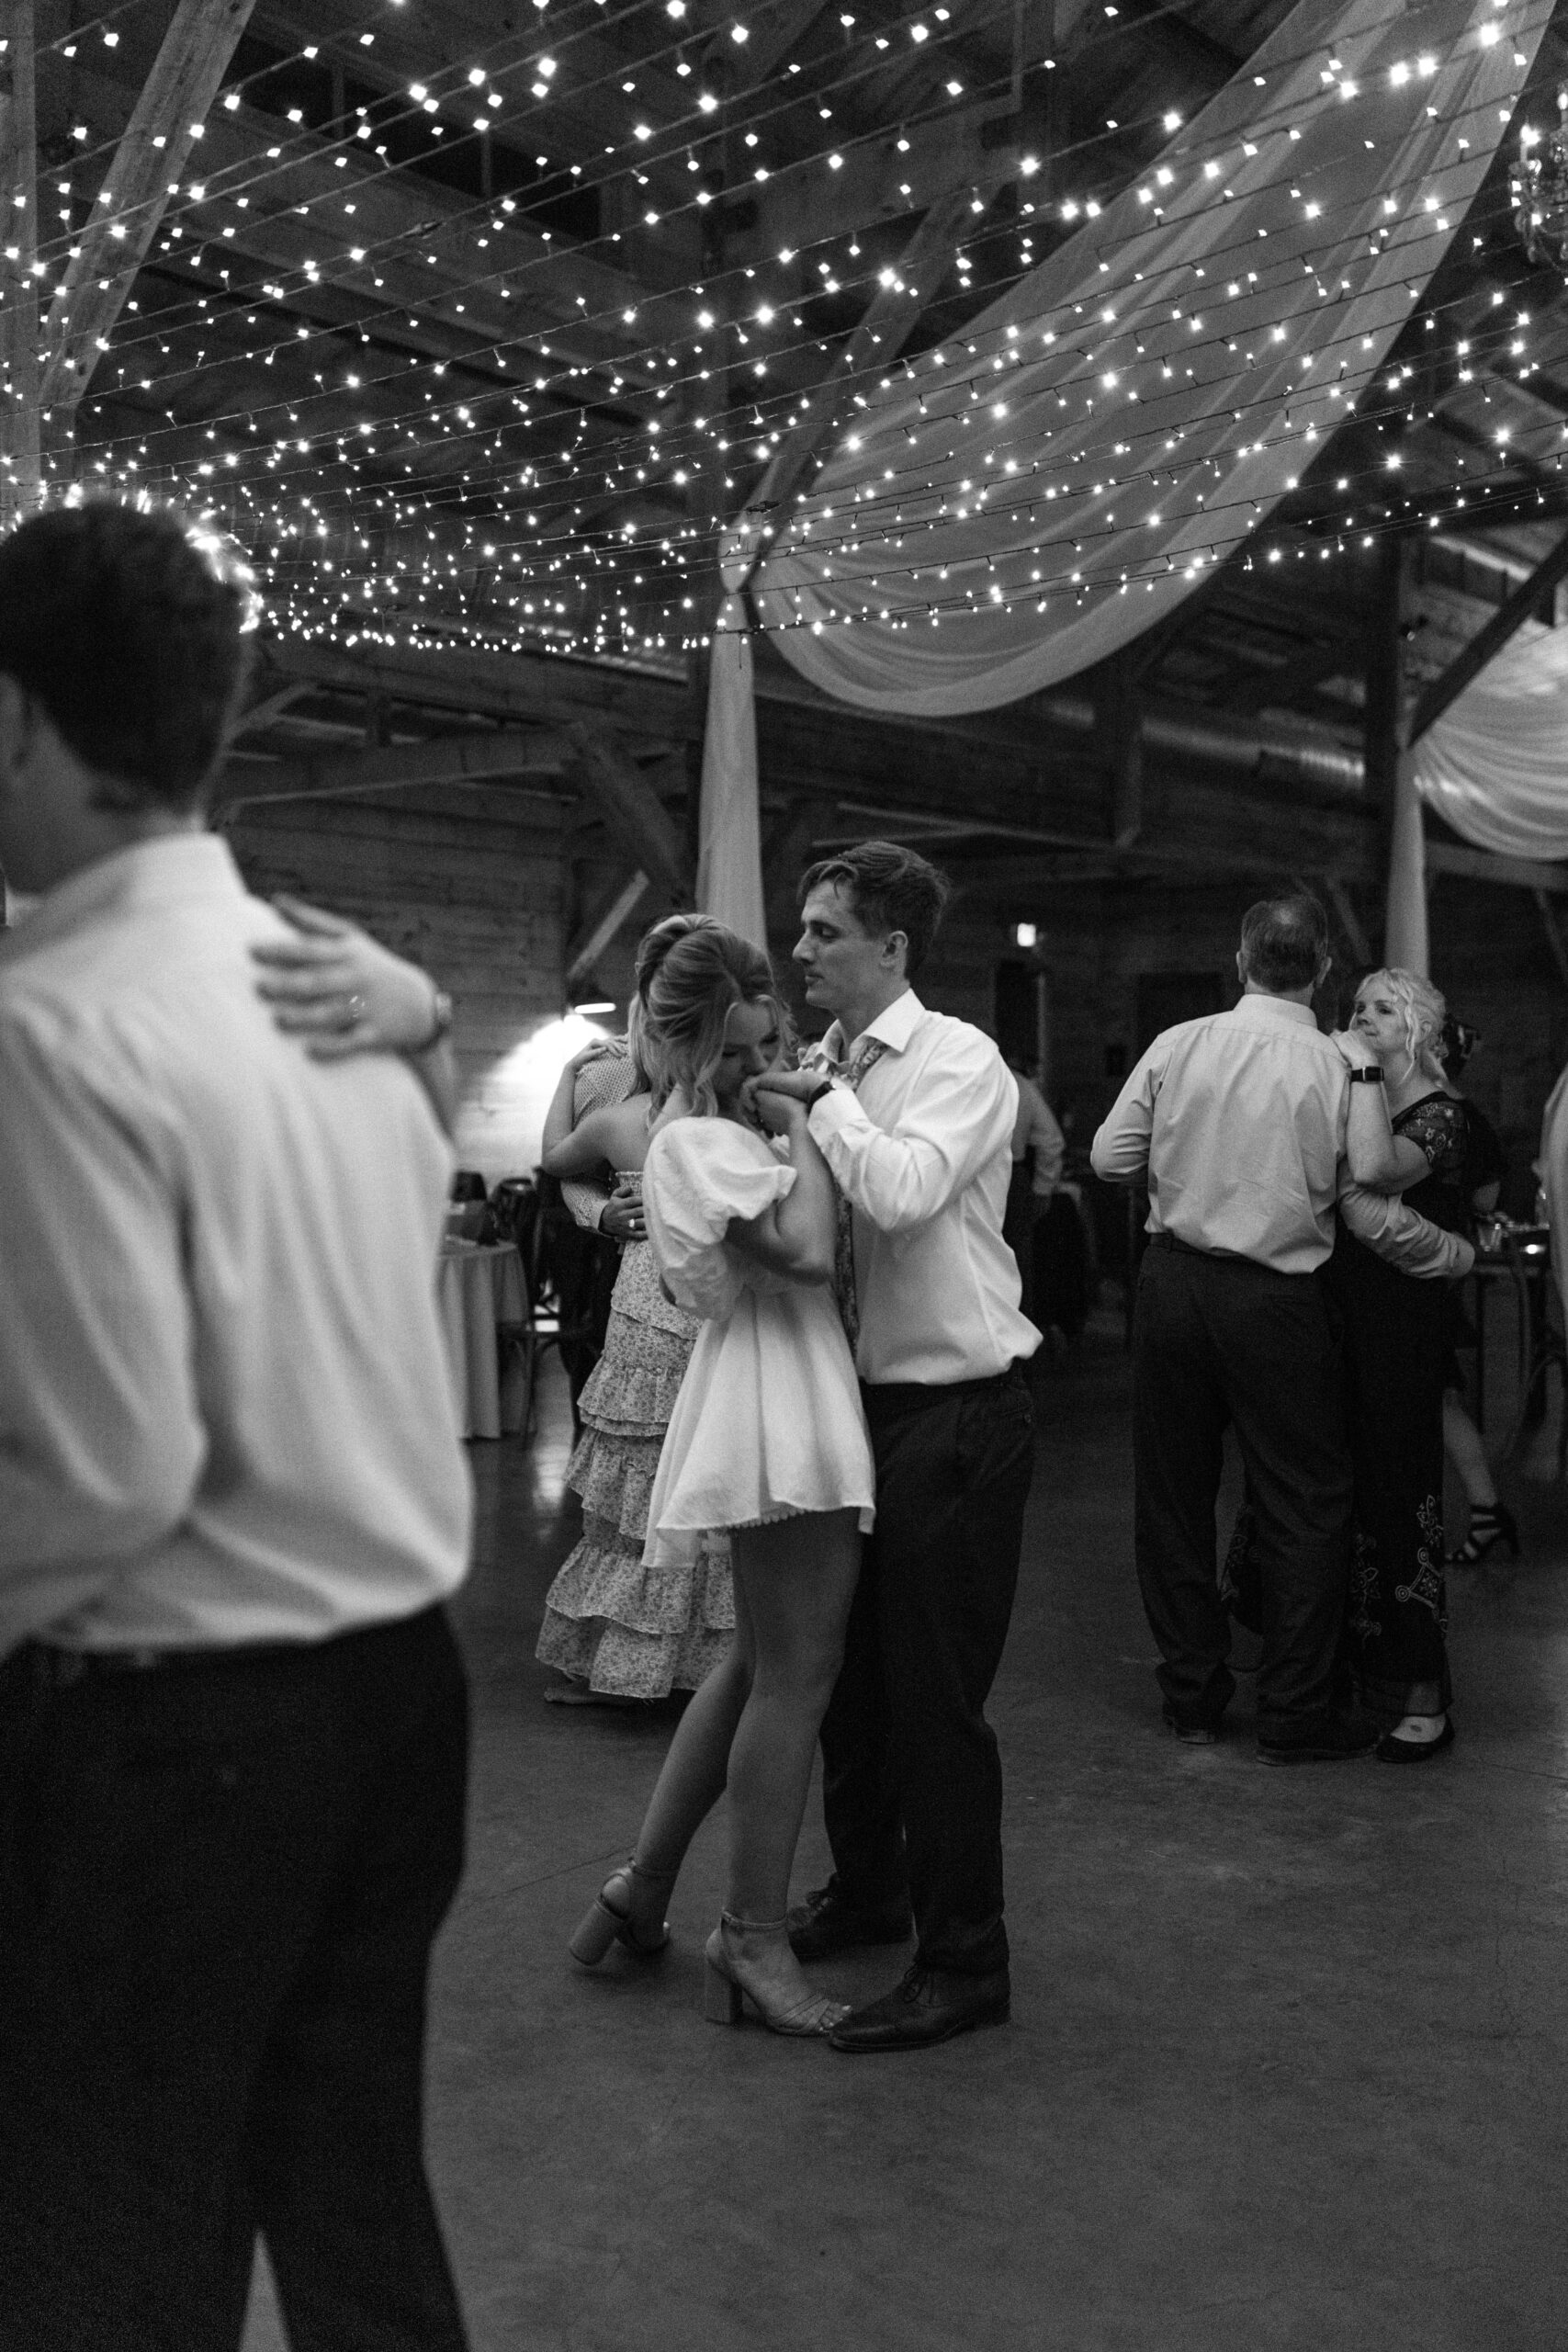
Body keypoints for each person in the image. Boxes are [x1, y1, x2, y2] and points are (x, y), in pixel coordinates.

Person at [0, 503, 473, 2349]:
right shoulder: (339, 987)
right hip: (395, 1696)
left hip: (178, 1736)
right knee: (350, 2197)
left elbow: (106, 1470)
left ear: (20, 721)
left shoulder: (54, 1024)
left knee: (109, 2240)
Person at [751, 841, 1039, 2056]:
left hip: (956, 1411)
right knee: (849, 1690)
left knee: (931, 1702)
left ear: (891, 949)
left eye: (824, 932)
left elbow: (907, 1193)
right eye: (804, 929)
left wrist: (824, 1108)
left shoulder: (955, 1060)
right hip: (855, 1409)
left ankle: (965, 1961)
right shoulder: (821, 1063)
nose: (801, 949)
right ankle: (867, 1888)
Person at [567, 917, 874, 2037]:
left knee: (754, 1663)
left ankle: (642, 1887)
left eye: (766, 1043)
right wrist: (803, 1126)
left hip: (777, 1379)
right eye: (737, 1052)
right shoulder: (692, 1140)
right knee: (800, 1673)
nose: (758, 1066)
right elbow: (803, 1252)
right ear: (682, 1046)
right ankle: (751, 1933)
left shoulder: (720, 1130)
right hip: (772, 1395)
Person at [1090, 894, 1472, 1766]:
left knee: (1174, 1496)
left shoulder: (1178, 1043)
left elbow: (1108, 1157)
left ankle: (1190, 1697)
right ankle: (1294, 1713)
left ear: (1240, 960)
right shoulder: (1339, 1064)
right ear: (1326, 968)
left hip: (1174, 1284)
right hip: (1277, 1299)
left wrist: (1187, 1166)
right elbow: (1373, 1174)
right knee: (1303, 1500)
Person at [535, 930, 733, 1703]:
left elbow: (552, 1157)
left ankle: (627, 1664)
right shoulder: (740, 1117)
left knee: (641, 1488)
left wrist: (563, 1076)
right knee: (696, 1476)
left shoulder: (626, 1118)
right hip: (702, 1299)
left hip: (649, 1301)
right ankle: (705, 1669)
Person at [1325, 969, 1480, 1757]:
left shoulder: (1440, 1116)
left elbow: (1376, 1173)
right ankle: (1355, 1676)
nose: (1362, 1018)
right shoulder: (1362, 1097)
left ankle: (1424, 1696)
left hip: (1401, 1330)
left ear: (1417, 1025)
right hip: (1344, 1320)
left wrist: (1354, 1069)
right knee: (1342, 1498)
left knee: (1397, 1496)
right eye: (1355, 1008)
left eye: (1382, 1008)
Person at [1435, 1015, 1517, 1567]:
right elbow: (1488, 1199)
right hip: (1442, 1266)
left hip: (1423, 1271)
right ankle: (1487, 1512)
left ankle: (1485, 1511)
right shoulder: (1470, 1116)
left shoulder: (1436, 1112)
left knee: (1437, 1399)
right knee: (1442, 1400)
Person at [1003, 1054, 1066, 1330]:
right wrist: (1042, 1188)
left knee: (1012, 1265)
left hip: (1007, 1179)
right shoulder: (1017, 1083)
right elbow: (1051, 1138)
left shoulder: (1016, 1084)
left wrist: (1042, 1187)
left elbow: (1051, 1140)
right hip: (1009, 1178)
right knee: (1015, 1266)